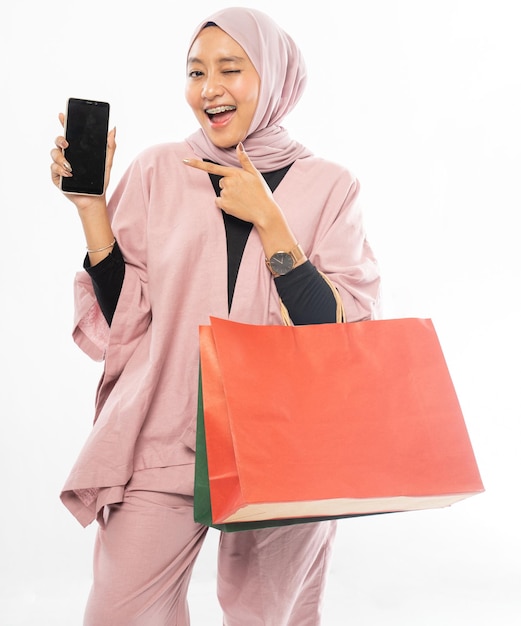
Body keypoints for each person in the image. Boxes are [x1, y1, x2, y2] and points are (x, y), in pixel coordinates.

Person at [50, 7, 381, 625]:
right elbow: (127, 317)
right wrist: (92, 208)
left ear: (276, 80)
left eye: (231, 69)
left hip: (286, 447)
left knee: (265, 617)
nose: (209, 88)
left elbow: (340, 337)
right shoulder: (157, 169)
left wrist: (271, 220)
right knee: (118, 613)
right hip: (165, 429)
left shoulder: (333, 187)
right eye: (196, 71)